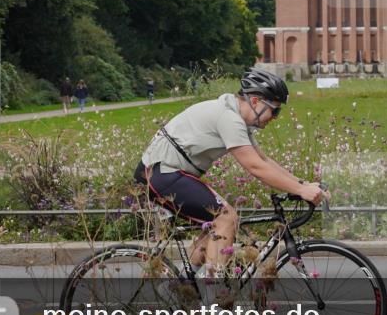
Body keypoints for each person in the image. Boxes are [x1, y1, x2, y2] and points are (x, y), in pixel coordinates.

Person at [135, 69, 326, 276]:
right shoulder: (229, 118)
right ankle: (214, 301)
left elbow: (263, 160)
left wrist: (303, 184)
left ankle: (176, 288)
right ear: (255, 101)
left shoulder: (236, 117)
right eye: (274, 111)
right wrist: (301, 189)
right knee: (226, 219)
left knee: (215, 228)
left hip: (168, 173)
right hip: (161, 174)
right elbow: (255, 167)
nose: (275, 118)